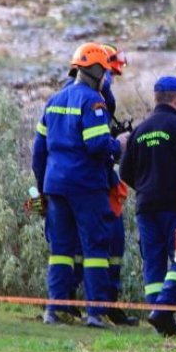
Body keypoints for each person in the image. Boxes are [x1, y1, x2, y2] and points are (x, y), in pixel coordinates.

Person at [32, 43, 124, 329]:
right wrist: (118, 145)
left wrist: (42, 188)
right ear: (96, 71)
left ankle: (56, 309)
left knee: (61, 250)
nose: (106, 77)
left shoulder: (54, 100)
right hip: (86, 186)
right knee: (95, 249)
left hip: (55, 186)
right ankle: (96, 312)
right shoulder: (93, 101)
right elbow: (97, 144)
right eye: (105, 71)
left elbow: (38, 152)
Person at [120, 76, 176, 337]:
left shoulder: (139, 131)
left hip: (146, 207)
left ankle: (158, 316)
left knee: (153, 262)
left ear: (156, 99)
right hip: (175, 206)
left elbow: (125, 172)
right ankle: (164, 309)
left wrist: (145, 187)